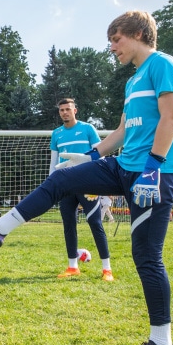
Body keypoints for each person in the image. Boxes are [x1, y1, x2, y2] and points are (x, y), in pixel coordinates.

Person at [0, 11, 173, 345]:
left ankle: (162, 343)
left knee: (147, 257)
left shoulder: (163, 65)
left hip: (155, 174)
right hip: (123, 167)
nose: (112, 48)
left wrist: (154, 167)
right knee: (62, 176)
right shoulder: (133, 81)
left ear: (139, 33)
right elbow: (123, 133)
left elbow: (171, 118)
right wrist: (91, 156)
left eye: (116, 39)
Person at [48, 97, 114, 282]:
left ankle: (107, 269)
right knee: (69, 225)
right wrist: (51, 184)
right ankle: (72, 266)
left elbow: (99, 156)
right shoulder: (56, 134)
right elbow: (54, 163)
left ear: (75, 110)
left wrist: (101, 182)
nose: (64, 113)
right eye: (61, 110)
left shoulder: (88, 129)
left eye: (68, 109)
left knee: (95, 222)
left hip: (87, 184)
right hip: (65, 185)